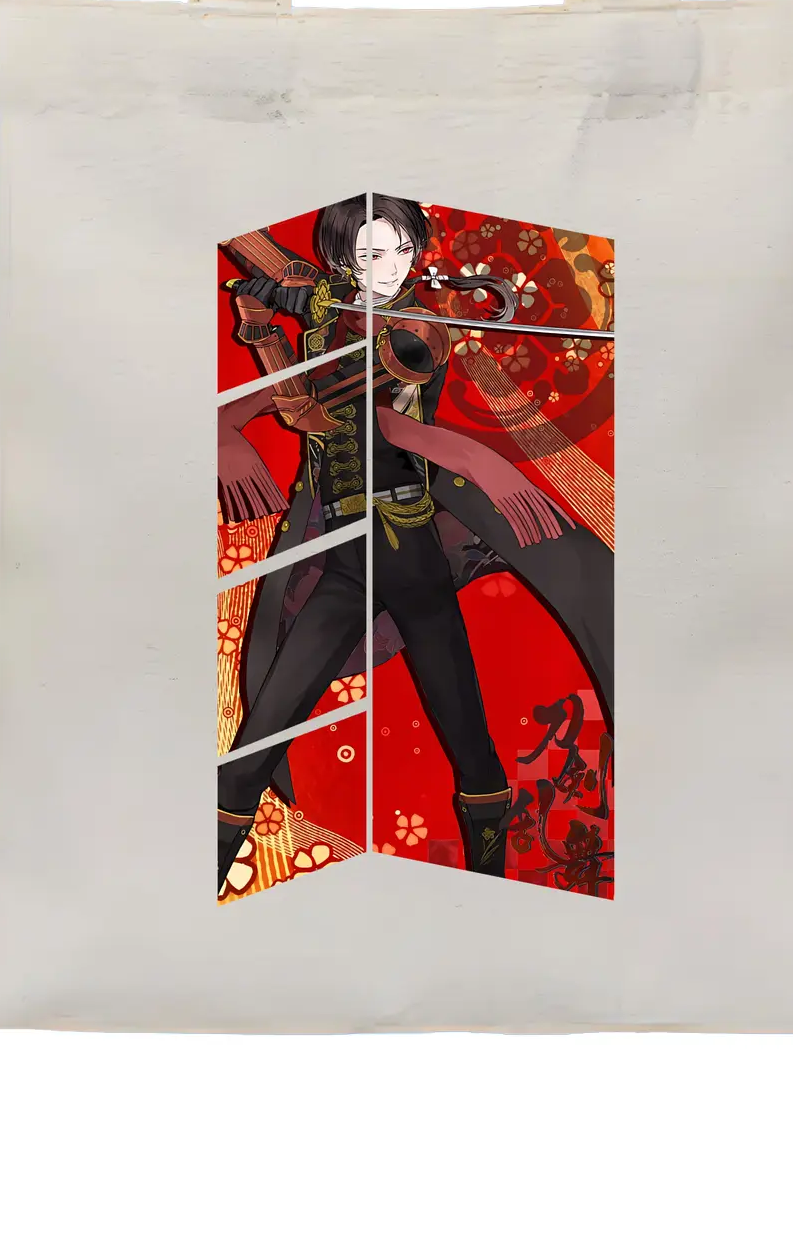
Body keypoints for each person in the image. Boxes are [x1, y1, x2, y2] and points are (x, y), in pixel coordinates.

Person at [215, 195, 612, 894]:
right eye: (371, 254)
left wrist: (479, 460)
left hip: (405, 548)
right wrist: (262, 331)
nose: (390, 267)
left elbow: (372, 418)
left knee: (464, 732)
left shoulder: (412, 330)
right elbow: (302, 412)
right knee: (260, 738)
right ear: (343, 259)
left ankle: (489, 884)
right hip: (348, 552)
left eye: (401, 250)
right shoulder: (330, 319)